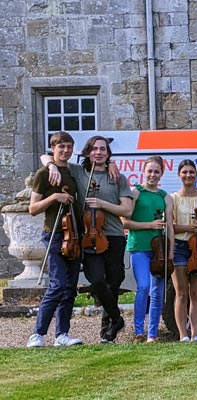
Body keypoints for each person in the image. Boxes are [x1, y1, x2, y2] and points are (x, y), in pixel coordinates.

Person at [41, 136, 132, 343]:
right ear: (88, 152)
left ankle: (107, 332)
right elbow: (45, 156)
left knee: (114, 282)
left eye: (103, 149)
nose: (98, 152)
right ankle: (117, 318)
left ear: (108, 154)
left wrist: (102, 204)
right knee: (97, 280)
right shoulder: (78, 172)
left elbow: (127, 209)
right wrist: (51, 167)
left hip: (114, 235)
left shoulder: (117, 177)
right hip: (88, 239)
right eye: (94, 149)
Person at [26, 132, 84, 347]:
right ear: (53, 148)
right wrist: (54, 197)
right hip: (56, 233)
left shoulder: (72, 171)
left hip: (75, 234)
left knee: (70, 288)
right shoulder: (44, 173)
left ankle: (62, 335)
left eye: (69, 147)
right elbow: (32, 209)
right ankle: (37, 334)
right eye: (61, 147)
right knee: (57, 285)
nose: (66, 151)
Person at [122, 156, 174, 343]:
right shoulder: (135, 192)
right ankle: (139, 331)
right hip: (139, 247)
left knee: (158, 292)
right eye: (150, 171)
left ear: (161, 174)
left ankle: (152, 334)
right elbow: (125, 222)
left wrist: (171, 251)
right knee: (143, 287)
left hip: (160, 250)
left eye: (156, 172)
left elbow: (169, 226)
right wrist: (150, 225)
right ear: (144, 172)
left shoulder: (165, 197)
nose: (153, 175)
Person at [170, 160, 197, 342]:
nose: (188, 175)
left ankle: (195, 334)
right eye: (184, 172)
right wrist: (190, 227)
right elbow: (170, 226)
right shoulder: (173, 198)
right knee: (181, 292)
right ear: (179, 175)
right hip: (180, 246)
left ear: (196, 174)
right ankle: (183, 334)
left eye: (191, 172)